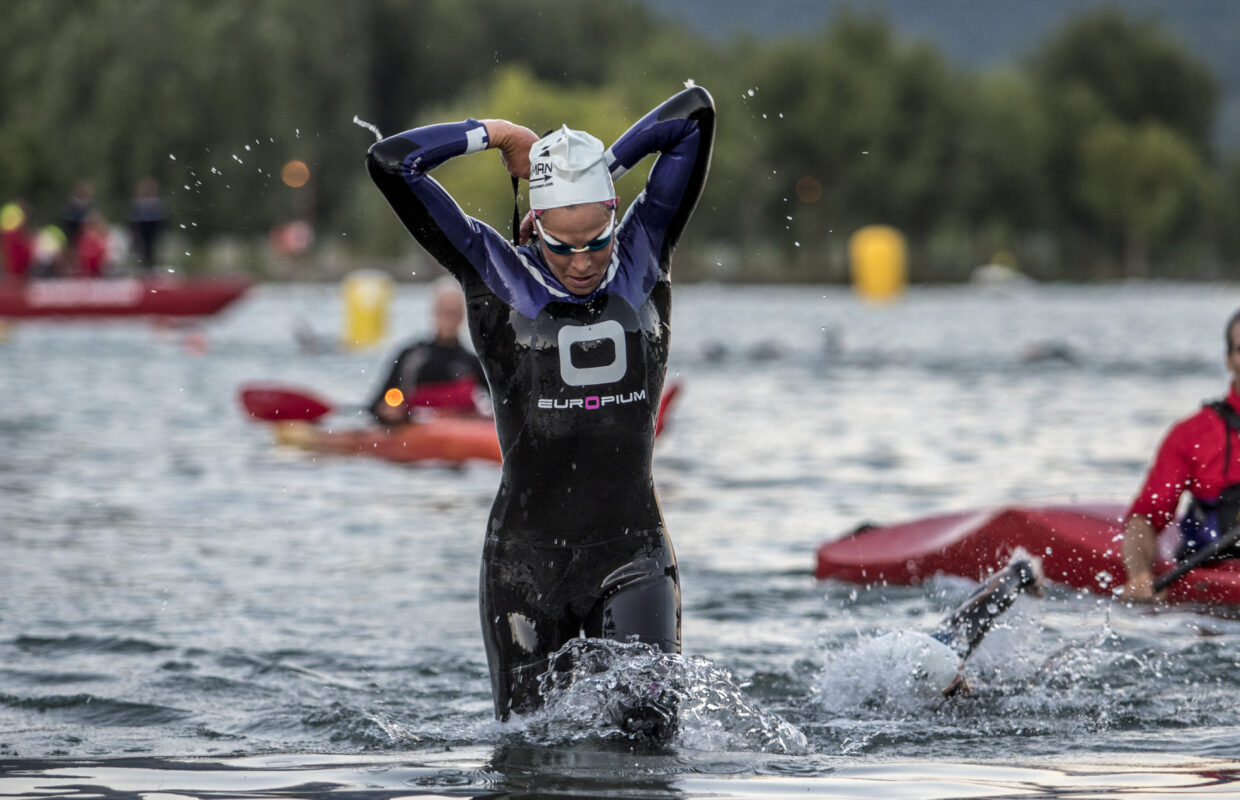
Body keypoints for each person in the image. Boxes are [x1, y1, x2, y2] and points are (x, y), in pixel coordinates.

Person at [366, 85, 715, 729]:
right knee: (529, 761)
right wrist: (496, 134)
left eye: (596, 239)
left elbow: (693, 114)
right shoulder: (494, 271)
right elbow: (393, 162)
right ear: (534, 226)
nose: (582, 262)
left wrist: (594, 169)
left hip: (631, 554)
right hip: (525, 568)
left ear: (615, 216)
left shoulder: (644, 250)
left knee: (649, 744)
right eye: (562, 245)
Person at [1122, 308, 1240, 601]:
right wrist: (1139, 576)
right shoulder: (1192, 435)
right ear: (1229, 360)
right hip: (1216, 599)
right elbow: (1145, 521)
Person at [368, 277, 487, 424]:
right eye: (444, 310)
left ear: (463, 315)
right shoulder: (412, 356)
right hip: (417, 430)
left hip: (461, 432)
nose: (449, 317)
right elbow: (374, 407)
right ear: (434, 312)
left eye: (454, 311)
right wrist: (389, 411)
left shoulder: (473, 362)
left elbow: (499, 404)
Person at [128, 177, 167, 272]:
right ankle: (145, 265)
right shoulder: (139, 203)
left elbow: (161, 219)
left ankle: (149, 266)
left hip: (151, 227)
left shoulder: (156, 203)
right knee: (144, 248)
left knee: (151, 248)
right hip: (143, 227)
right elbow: (133, 218)